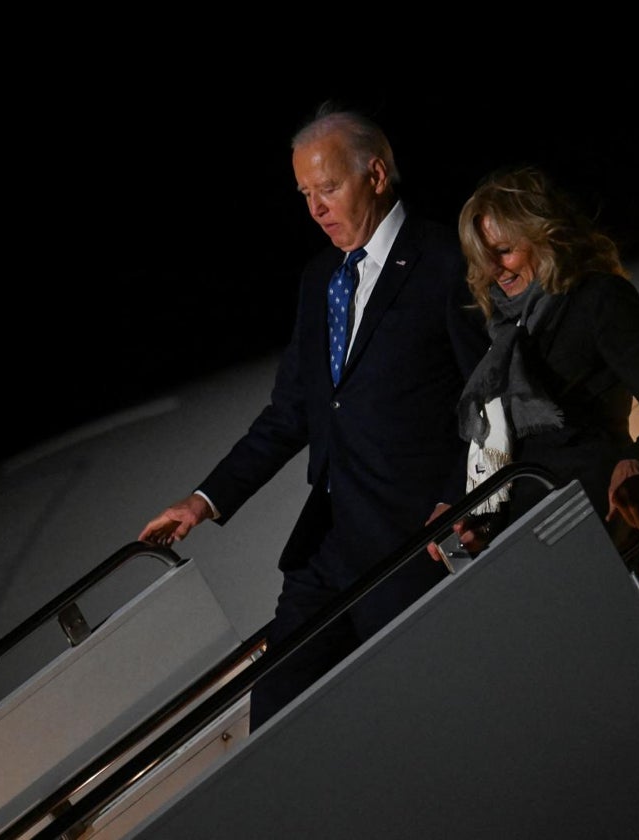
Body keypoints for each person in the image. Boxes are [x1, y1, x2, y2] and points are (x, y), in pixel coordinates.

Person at [139, 103, 489, 730]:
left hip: (410, 543)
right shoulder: (319, 278)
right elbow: (293, 411)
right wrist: (203, 499)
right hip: (325, 548)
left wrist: (456, 497)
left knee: (410, 721)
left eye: (328, 188)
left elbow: (486, 393)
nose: (316, 209)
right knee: (275, 713)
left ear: (376, 176)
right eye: (305, 194)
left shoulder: (442, 261)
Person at [427, 165, 639, 571]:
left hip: (593, 514)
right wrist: (460, 504)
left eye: (504, 251)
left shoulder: (597, 298)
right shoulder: (501, 329)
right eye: (485, 259)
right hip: (522, 530)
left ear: (544, 236)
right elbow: (495, 438)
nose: (495, 270)